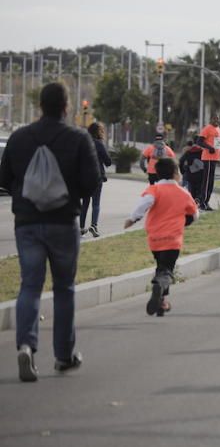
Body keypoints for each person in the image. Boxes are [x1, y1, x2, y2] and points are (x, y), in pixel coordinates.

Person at [0, 82, 99, 382]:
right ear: (67, 107)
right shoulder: (78, 138)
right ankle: (64, 355)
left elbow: (4, 178)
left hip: (27, 223)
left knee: (30, 284)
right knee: (64, 288)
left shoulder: (19, 138)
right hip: (63, 222)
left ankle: (27, 346)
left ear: (40, 106)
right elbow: (93, 182)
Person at [124, 157, 199, 318]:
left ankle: (161, 304)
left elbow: (143, 204)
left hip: (155, 239)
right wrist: (185, 222)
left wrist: (132, 219)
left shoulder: (154, 190)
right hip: (173, 239)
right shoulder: (183, 192)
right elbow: (194, 214)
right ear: (175, 173)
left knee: (161, 268)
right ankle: (159, 288)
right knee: (166, 272)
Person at [80, 122, 112, 238]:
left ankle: (81, 227)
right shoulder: (99, 144)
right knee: (96, 203)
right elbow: (108, 162)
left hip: (83, 177)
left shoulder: (83, 143)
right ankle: (94, 225)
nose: (103, 132)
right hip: (96, 176)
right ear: (98, 132)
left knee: (85, 203)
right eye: (101, 130)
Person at [196, 115, 220, 209]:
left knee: (211, 182)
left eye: (218, 119)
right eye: (215, 119)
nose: (216, 120)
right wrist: (209, 148)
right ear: (211, 119)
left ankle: (206, 202)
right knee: (207, 181)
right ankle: (202, 203)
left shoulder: (218, 129)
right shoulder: (207, 128)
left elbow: (218, 142)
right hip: (208, 158)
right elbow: (199, 141)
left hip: (215, 158)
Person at [178, 141, 205, 208]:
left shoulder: (188, 152)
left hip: (190, 173)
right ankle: (198, 199)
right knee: (200, 188)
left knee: (191, 188)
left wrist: (182, 170)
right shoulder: (203, 152)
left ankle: (192, 203)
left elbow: (181, 161)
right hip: (201, 174)